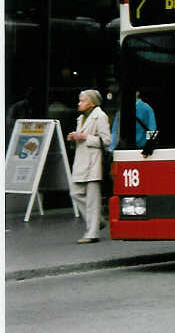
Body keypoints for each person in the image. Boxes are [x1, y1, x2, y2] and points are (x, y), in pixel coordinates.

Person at [66, 89, 111, 244]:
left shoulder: (100, 116)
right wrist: (75, 137)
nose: (79, 103)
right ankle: (98, 220)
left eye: (82, 100)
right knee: (75, 193)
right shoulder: (81, 118)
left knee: (92, 199)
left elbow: (106, 141)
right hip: (81, 161)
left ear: (91, 103)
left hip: (93, 162)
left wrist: (84, 137)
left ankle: (92, 233)